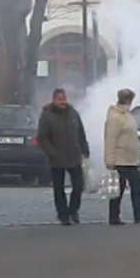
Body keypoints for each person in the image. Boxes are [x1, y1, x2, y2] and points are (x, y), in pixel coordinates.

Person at [37, 88, 91, 226]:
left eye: (64, 99)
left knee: (78, 185)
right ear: (54, 100)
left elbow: (81, 133)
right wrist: (52, 152)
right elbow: (42, 137)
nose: (63, 102)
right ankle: (63, 215)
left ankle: (73, 210)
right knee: (59, 188)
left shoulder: (73, 113)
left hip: (74, 156)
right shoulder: (47, 115)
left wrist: (85, 150)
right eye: (60, 99)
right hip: (56, 158)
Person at [104, 88, 140, 225]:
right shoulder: (115, 117)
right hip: (120, 159)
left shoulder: (128, 116)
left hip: (131, 159)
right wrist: (109, 159)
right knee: (118, 189)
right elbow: (110, 139)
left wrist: (138, 156)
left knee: (136, 185)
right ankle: (114, 216)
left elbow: (133, 138)